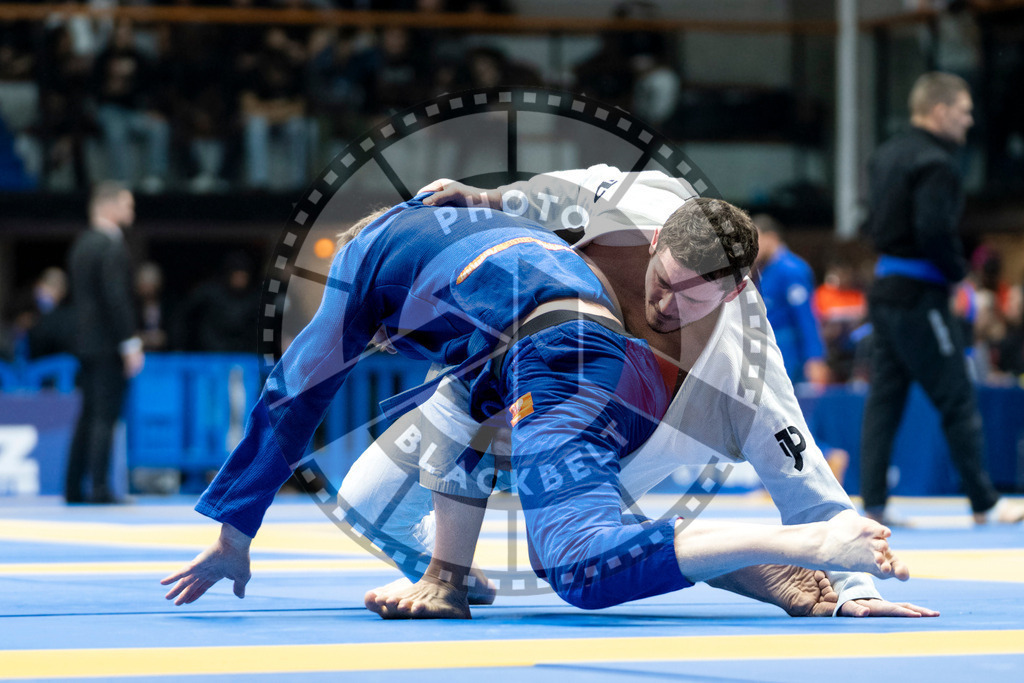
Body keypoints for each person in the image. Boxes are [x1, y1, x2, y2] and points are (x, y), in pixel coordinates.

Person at [163, 190, 918, 618]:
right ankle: (459, 574)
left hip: (577, 367)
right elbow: (469, 413)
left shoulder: (361, 274)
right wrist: (445, 580)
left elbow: (291, 395)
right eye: (665, 279)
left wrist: (235, 530)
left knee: (580, 568)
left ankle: (791, 550)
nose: (668, 299)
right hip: (586, 360)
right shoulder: (487, 243)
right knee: (391, 482)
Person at [860, 72, 1024, 526]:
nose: (970, 121)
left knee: (885, 400)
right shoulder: (937, 163)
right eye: (965, 111)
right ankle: (985, 502)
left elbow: (871, 224)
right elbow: (934, 232)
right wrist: (958, 276)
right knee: (956, 396)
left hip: (886, 290)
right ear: (940, 110)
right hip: (920, 296)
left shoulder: (885, 155)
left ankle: (872, 502)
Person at [65, 181, 145, 504]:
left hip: (84, 342)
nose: (131, 211)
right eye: (127, 205)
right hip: (107, 343)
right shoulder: (111, 245)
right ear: (108, 207)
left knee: (87, 415)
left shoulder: (81, 243)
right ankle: (98, 486)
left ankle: (73, 486)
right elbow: (115, 298)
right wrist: (129, 343)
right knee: (104, 415)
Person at [752, 214, 829, 386]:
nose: (751, 248)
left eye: (755, 240)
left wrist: (815, 357)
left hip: (790, 349)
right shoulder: (764, 271)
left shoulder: (792, 270)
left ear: (771, 237)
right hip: (769, 348)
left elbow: (806, 315)